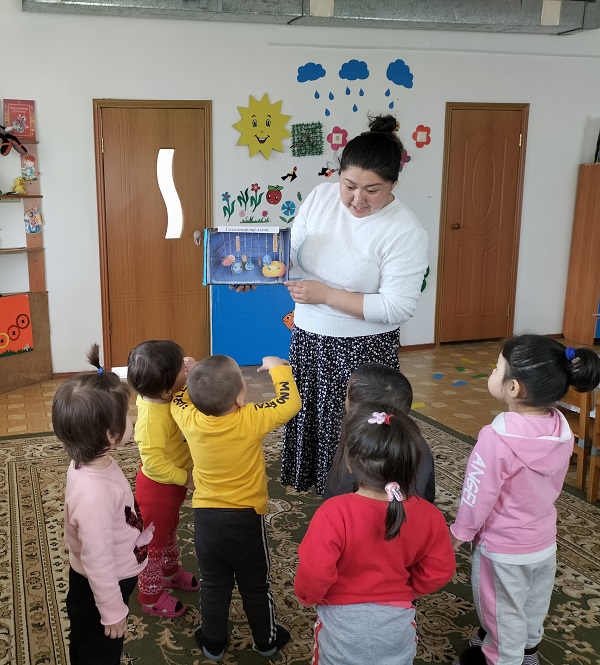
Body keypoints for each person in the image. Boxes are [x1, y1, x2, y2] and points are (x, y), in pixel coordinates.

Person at [282, 113, 429, 495]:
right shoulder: (320, 197)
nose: (357, 199)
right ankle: (324, 492)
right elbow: (290, 250)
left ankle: (355, 499)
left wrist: (327, 295)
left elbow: (397, 307)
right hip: (310, 338)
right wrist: (263, 271)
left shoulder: (404, 230)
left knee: (355, 433)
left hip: (362, 350)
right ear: (338, 175)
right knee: (312, 417)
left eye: (372, 190)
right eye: (349, 186)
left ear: (394, 184)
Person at [450, 335, 600, 665]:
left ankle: (501, 657)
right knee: (532, 601)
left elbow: (477, 494)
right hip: (543, 541)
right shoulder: (561, 428)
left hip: (502, 548)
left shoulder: (496, 438)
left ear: (514, 387)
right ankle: (528, 649)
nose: (493, 372)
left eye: (497, 368)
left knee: (500, 609)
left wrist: (460, 533)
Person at [295, 404, 455, 665]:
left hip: (342, 625)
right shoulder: (430, 515)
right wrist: (407, 590)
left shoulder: (333, 512)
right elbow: (440, 569)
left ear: (349, 463)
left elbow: (315, 572)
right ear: (412, 463)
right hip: (398, 624)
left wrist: (307, 596)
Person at [170, 354, 302, 661]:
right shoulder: (250, 417)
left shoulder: (188, 417)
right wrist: (278, 369)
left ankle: (213, 643)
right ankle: (267, 641)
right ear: (241, 398)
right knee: (255, 585)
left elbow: (178, 399)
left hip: (205, 519)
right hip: (245, 520)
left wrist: (190, 376)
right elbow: (289, 403)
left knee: (213, 584)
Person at [52, 344, 154, 665]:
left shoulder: (89, 461)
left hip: (105, 572)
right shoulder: (93, 493)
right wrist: (111, 610)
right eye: (128, 415)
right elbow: (97, 558)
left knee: (84, 638)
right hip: (103, 584)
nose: (132, 419)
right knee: (100, 650)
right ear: (111, 435)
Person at [127, 340, 199, 618]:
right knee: (153, 545)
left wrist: (188, 368)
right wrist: (185, 478)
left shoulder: (162, 393)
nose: (187, 367)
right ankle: (150, 595)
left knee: (169, 531)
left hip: (172, 487)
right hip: (158, 490)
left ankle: (169, 572)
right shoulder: (150, 422)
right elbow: (154, 464)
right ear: (168, 388)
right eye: (182, 367)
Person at [323, 362, 436, 502]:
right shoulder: (419, 444)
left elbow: (335, 494)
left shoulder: (356, 444)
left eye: (347, 394)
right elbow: (428, 495)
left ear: (354, 410)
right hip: (414, 512)